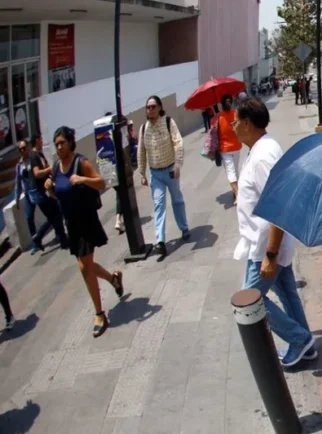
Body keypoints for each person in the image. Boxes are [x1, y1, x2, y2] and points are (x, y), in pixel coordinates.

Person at [231, 97, 316, 367]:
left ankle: (299, 339)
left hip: (266, 246)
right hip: (269, 243)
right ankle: (306, 344)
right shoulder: (260, 148)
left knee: (250, 300)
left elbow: (279, 203)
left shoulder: (263, 155)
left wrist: (270, 253)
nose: (232, 126)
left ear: (246, 123)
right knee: (288, 294)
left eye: (235, 121)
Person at [44, 126, 124, 338]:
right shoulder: (55, 167)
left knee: (83, 267)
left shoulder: (81, 162)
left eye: (62, 142)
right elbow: (58, 196)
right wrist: (49, 189)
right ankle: (113, 279)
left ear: (70, 142)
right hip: (71, 224)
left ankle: (99, 314)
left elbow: (100, 182)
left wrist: (81, 179)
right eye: (57, 144)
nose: (59, 147)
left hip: (86, 220)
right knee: (85, 265)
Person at [137, 96, 191, 257]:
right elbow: (141, 151)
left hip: (170, 170)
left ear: (160, 107)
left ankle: (184, 227)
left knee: (177, 200)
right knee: (158, 205)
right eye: (148, 107)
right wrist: (142, 173)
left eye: (153, 107)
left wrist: (178, 165)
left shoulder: (168, 122)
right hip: (155, 174)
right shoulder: (143, 128)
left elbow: (178, 142)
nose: (150, 110)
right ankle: (160, 241)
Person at [15, 139, 69, 254]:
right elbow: (34, 175)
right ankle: (39, 237)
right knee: (50, 215)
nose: (23, 151)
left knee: (54, 214)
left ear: (29, 146)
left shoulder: (36, 156)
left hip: (43, 190)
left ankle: (57, 237)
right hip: (38, 193)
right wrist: (50, 170)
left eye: (24, 148)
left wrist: (51, 176)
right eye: (21, 150)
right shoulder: (31, 159)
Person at [216, 94, 243, 204]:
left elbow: (215, 134)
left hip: (225, 149)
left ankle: (237, 194)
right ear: (231, 103)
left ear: (221, 105)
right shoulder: (236, 114)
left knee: (230, 171)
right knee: (235, 170)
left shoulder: (218, 118)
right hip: (236, 146)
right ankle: (236, 192)